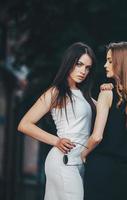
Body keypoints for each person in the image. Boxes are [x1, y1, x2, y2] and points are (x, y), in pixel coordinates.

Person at [18, 42, 97, 200]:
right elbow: (24, 124)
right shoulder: (56, 92)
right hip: (63, 159)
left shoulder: (87, 97)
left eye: (88, 68)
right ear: (69, 62)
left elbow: (106, 112)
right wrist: (56, 140)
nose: (83, 71)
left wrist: (107, 91)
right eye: (79, 64)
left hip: (79, 162)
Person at [82, 41, 127, 200]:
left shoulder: (107, 94)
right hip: (125, 174)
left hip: (99, 169)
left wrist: (82, 154)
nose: (105, 65)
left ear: (122, 64)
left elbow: (97, 137)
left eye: (110, 61)